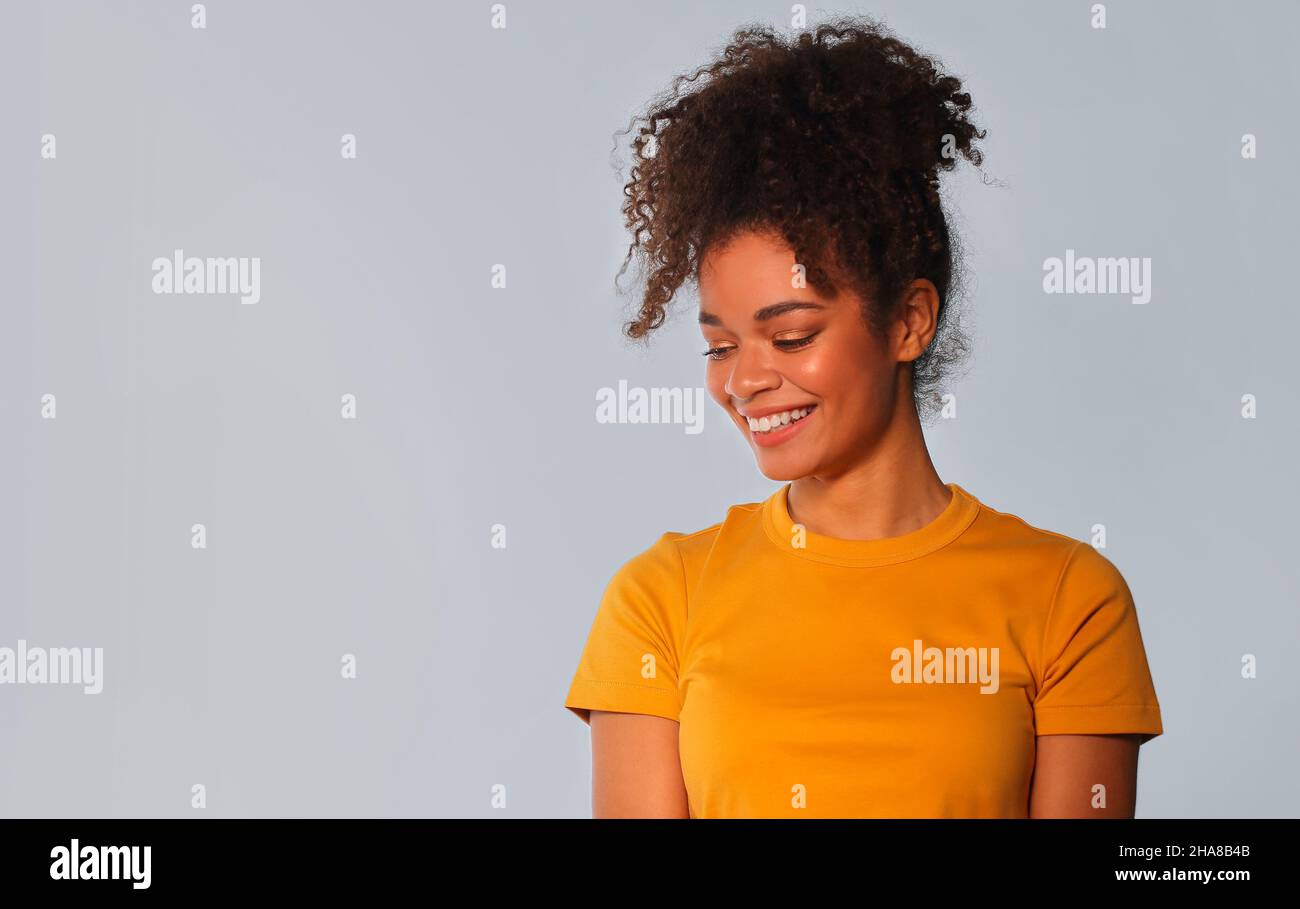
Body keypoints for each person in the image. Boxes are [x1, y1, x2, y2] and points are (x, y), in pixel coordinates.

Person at [564, 15, 1162, 818]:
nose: (745, 379)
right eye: (718, 347)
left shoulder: (1068, 599)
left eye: (791, 335)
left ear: (909, 321)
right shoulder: (660, 601)